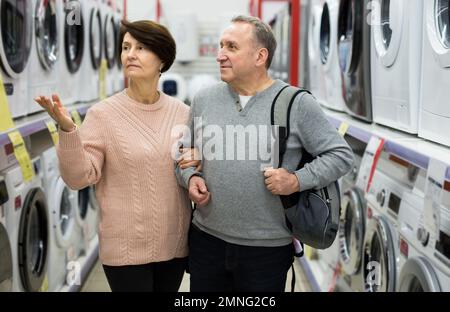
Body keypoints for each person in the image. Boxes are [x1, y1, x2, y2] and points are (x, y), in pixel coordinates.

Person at [175, 15, 354, 292]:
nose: (220, 55)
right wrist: (190, 176)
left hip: (266, 250)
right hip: (206, 242)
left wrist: (296, 180)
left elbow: (341, 155)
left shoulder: (297, 103)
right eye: (221, 46)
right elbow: (184, 151)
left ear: (260, 56)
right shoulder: (204, 99)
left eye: (231, 47)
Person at [35, 20, 200, 292]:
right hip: (125, 250)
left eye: (141, 47)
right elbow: (79, 178)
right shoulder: (103, 114)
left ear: (163, 59)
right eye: (126, 47)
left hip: (174, 244)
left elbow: (190, 171)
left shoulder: (183, 113)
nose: (130, 54)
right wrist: (68, 130)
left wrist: (197, 161)